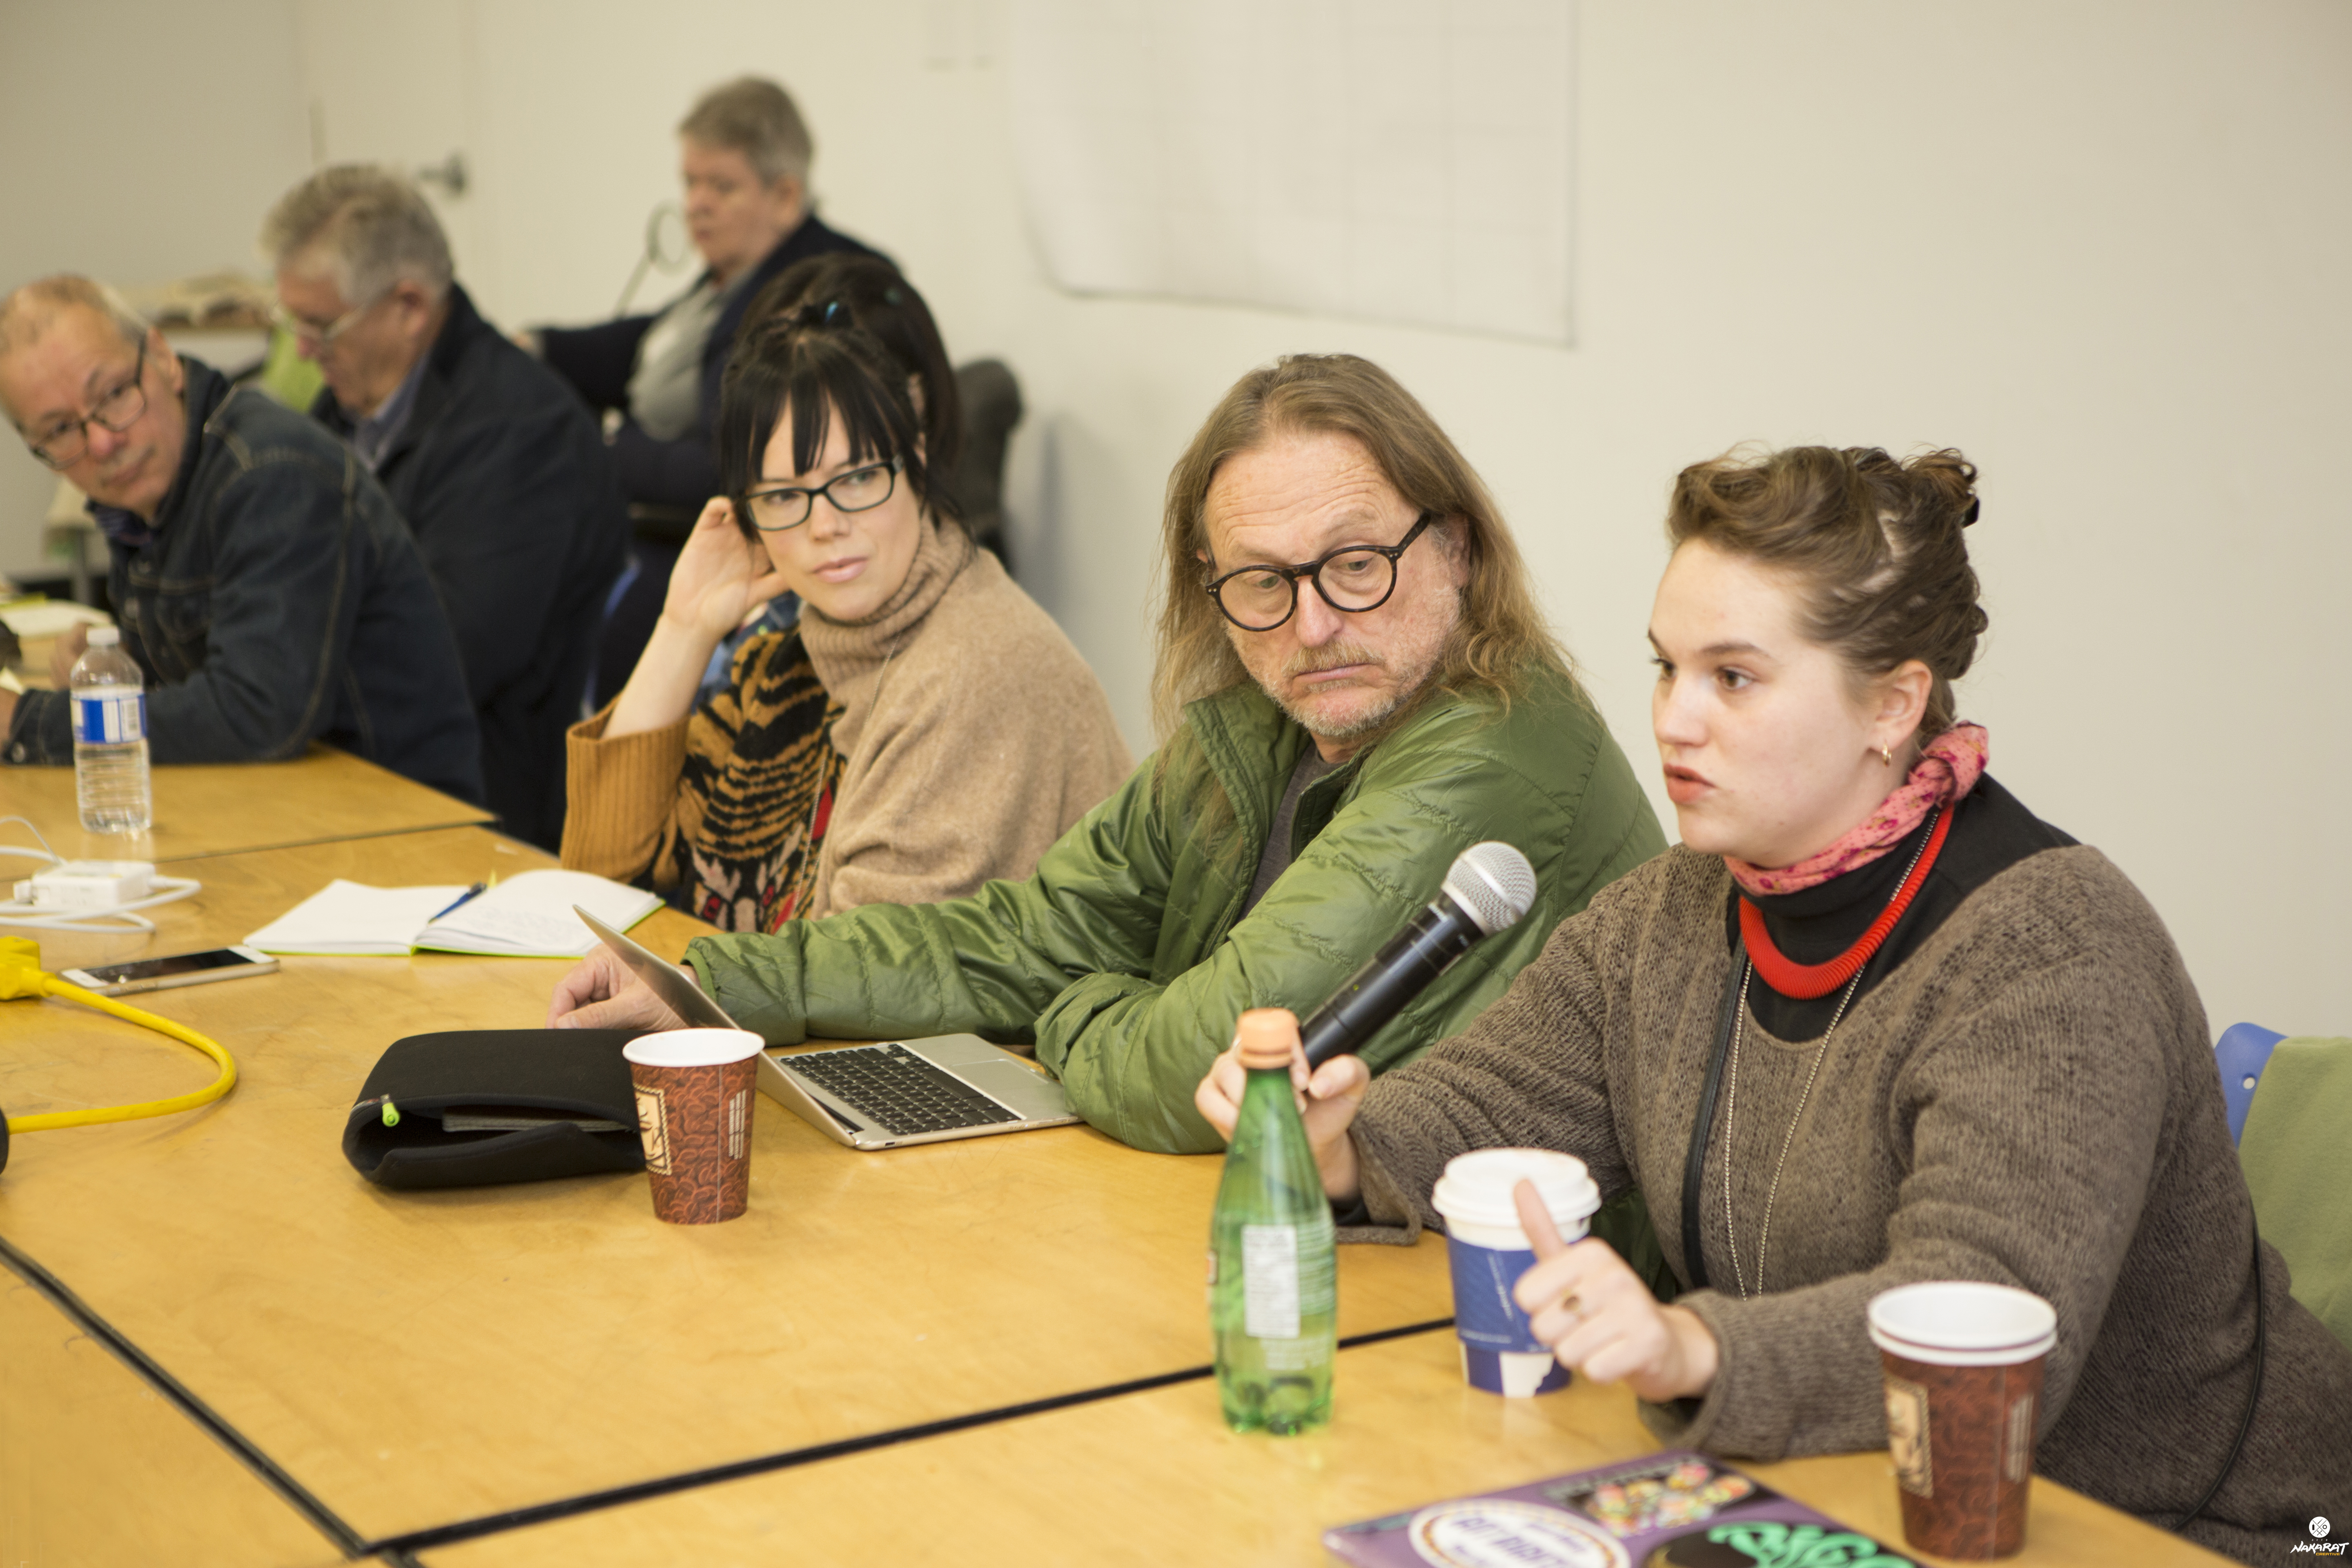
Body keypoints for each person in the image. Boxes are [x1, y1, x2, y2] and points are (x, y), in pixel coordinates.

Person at [1194, 445, 2352, 1564]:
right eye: (1667, 667)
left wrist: (1690, 1343)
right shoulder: (1678, 911)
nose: (1674, 720)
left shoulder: (2053, 950)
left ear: (1893, 706)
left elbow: (1983, 1321)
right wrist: (1343, 1148)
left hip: (2173, 1532)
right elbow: (1497, 1103)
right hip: (1838, 1497)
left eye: (1733, 678)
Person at [550, 354, 1666, 1158]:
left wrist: (1074, 1009)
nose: (1314, 623)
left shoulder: (1491, 753)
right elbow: (1030, 932)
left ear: (1456, 545)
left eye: (1357, 564)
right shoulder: (1263, 721)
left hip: (1501, 1298)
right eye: (1263, 584)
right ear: (1210, 586)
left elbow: (1208, 1070)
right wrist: (709, 986)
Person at [558, 275, 1130, 930]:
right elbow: (597, 888)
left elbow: (860, 975)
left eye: (856, 479)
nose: (824, 525)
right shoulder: (793, 657)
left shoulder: (980, 665)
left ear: (914, 457)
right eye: (781, 495)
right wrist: (684, 627)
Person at [0, 276, 479, 799]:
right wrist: (115, 671)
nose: (103, 440)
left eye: (114, 394)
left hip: (402, 823)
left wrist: (27, 722)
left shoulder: (271, 472)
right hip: (281, 801)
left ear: (162, 357)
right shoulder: (147, 494)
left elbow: (257, 712)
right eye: (61, 430)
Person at [262, 166, 628, 849]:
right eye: (293, 325)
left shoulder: (520, 433)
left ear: (408, 307)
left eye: (320, 326)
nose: (304, 351)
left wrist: (267, 668)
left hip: (480, 816)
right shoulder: (346, 409)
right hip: (358, 774)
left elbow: (440, 663)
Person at [525, 77, 884, 708]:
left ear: (785, 196)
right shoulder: (731, 277)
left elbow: (732, 466)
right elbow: (652, 342)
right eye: (690, 183)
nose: (697, 204)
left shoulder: (810, 289)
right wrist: (541, 346)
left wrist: (612, 449)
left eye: (722, 186)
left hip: (717, 543)